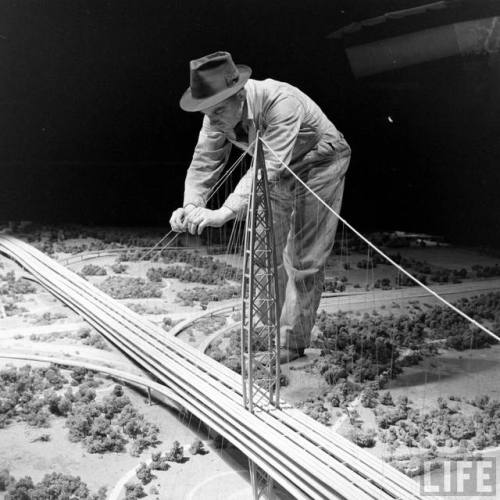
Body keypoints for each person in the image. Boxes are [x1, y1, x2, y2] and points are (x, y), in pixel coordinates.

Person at [170, 51, 351, 362]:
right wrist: (190, 206)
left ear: (240, 94)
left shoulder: (282, 102)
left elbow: (268, 170)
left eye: (217, 111)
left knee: (304, 259)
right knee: (264, 250)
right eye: (206, 112)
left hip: (320, 163)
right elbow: (204, 163)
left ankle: (291, 344)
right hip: (276, 168)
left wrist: (224, 212)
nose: (212, 121)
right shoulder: (217, 113)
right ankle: (265, 332)